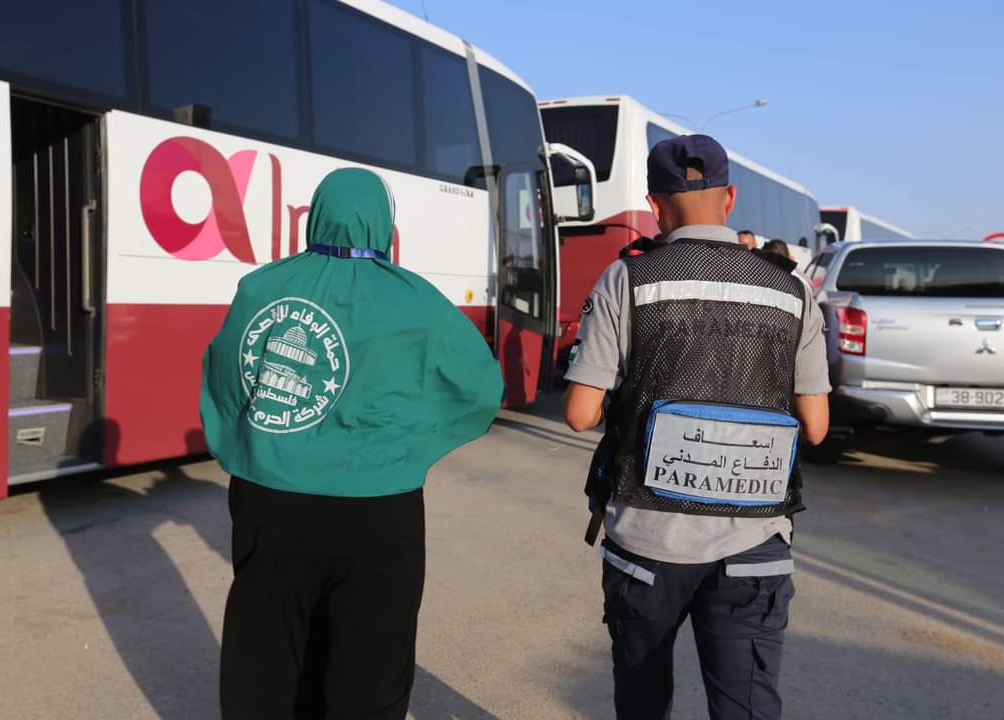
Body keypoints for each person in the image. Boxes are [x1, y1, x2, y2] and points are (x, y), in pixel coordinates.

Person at [201, 168, 504, 719]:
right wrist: (416, 441)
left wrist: (248, 447)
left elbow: (224, 376)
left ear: (315, 214)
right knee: (370, 665)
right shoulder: (415, 298)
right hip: (379, 510)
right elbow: (482, 385)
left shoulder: (261, 287)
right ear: (384, 224)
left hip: (272, 500)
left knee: (265, 652)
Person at [563, 135, 829, 719]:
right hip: (754, 541)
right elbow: (815, 426)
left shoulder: (626, 280)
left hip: (645, 541)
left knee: (642, 701)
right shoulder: (791, 290)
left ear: (655, 205)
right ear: (729, 198)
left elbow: (580, 413)